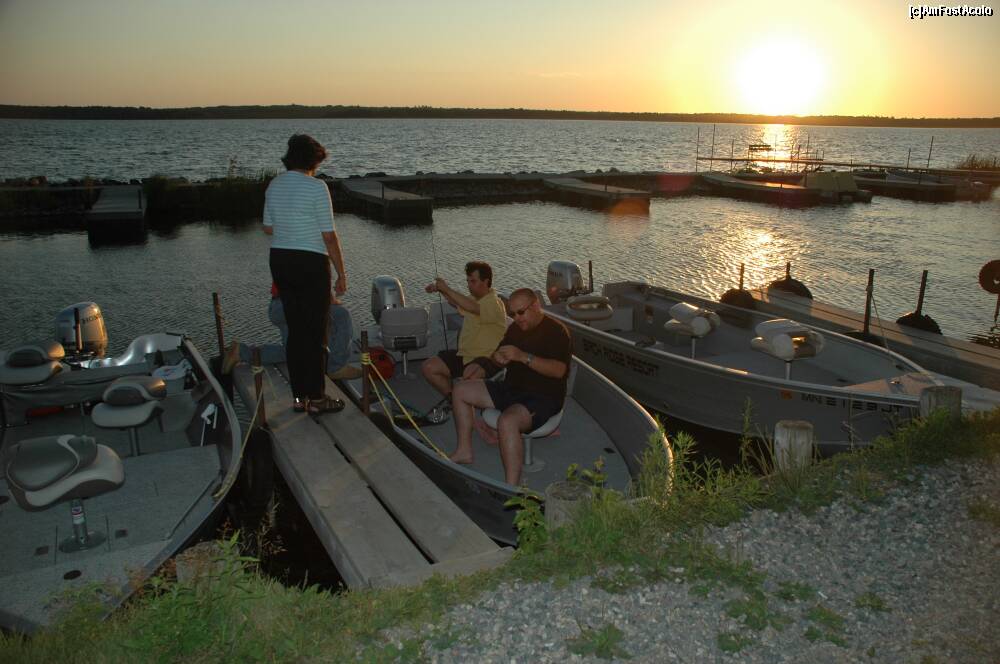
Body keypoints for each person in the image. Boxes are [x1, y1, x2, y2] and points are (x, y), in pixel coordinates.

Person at [449, 288, 572, 485]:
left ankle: (511, 487)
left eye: (521, 312)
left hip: (542, 397)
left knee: (507, 421)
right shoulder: (515, 328)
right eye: (513, 314)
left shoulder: (557, 331)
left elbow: (559, 371)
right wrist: (492, 362)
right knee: (461, 390)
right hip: (511, 389)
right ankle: (464, 451)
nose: (517, 318)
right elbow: (498, 357)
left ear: (536, 306)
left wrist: (523, 356)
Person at [263, 134, 347, 414]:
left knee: (296, 331)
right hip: (311, 262)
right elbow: (329, 236)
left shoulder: (274, 185)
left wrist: (290, 223)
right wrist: (341, 273)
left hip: (280, 260)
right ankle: (317, 398)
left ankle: (300, 398)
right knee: (316, 332)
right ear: (313, 161)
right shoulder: (317, 187)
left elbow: (268, 228)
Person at [223, 283, 361, 380]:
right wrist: (329, 298)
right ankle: (336, 367)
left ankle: (240, 352)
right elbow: (313, 274)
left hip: (278, 306)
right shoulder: (308, 251)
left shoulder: (285, 250)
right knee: (341, 315)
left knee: (293, 352)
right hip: (291, 306)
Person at [421, 261, 506, 400]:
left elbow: (472, 307)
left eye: (473, 281)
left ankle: (459, 400)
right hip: (466, 355)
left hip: (487, 358)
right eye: (467, 281)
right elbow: (457, 302)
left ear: (486, 281)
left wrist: (447, 288)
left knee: (468, 376)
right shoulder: (475, 298)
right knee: (429, 367)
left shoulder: (494, 304)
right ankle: (453, 400)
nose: (469, 285)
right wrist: (440, 290)